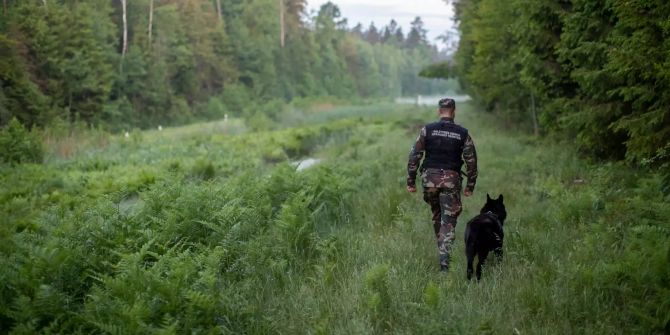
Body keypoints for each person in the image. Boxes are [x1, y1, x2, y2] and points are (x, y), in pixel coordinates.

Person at [406, 98, 478, 272]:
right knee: (448, 221)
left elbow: (414, 156)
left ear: (439, 111)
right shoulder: (462, 133)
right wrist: (470, 186)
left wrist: (411, 181)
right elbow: (472, 162)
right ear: (454, 111)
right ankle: (445, 263)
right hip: (451, 182)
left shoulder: (427, 130)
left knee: (437, 215)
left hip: (429, 182)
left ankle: (442, 248)